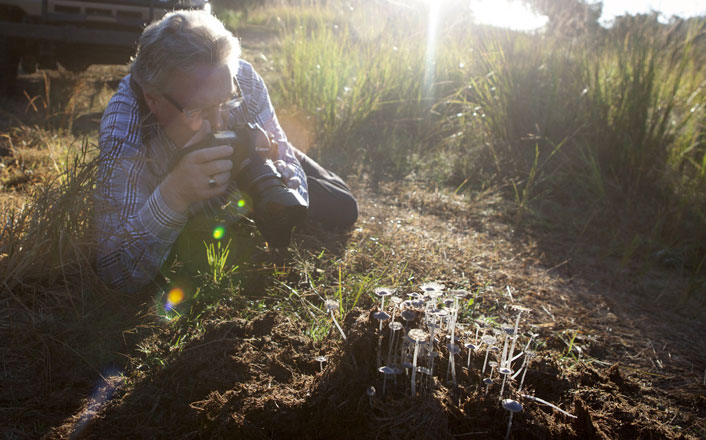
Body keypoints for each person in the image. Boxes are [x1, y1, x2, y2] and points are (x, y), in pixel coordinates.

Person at [95, 10, 358, 294]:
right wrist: (174, 194)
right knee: (341, 206)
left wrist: (270, 167)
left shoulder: (242, 78)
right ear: (152, 98)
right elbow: (117, 270)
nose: (219, 122)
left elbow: (292, 181)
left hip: (259, 151)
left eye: (227, 103)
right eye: (198, 110)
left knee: (344, 205)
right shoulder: (125, 126)